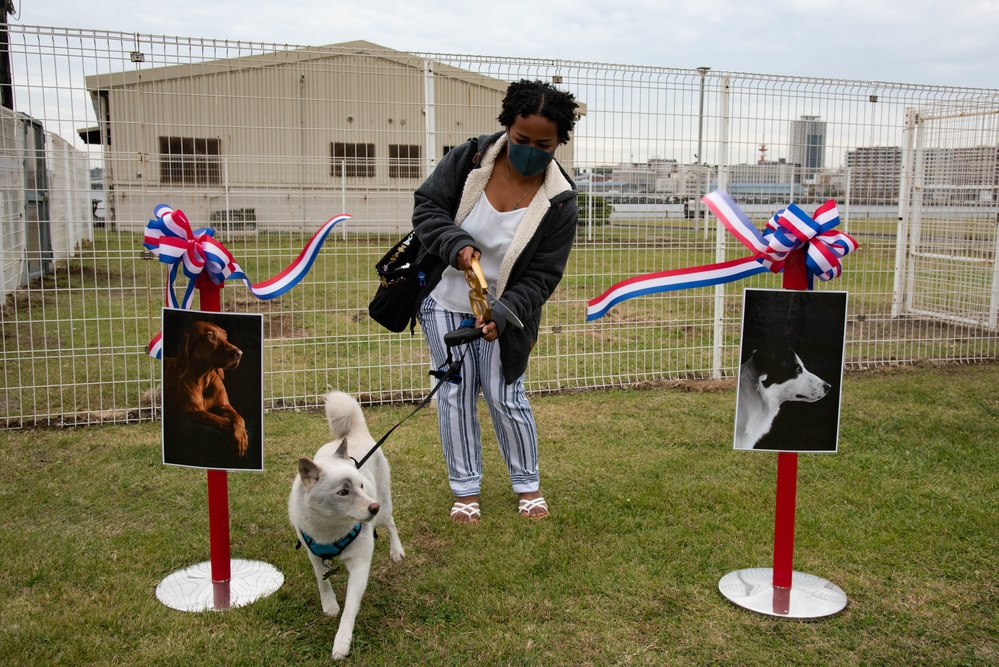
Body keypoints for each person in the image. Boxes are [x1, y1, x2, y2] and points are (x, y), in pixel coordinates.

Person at [411, 79, 579, 524]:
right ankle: (465, 490)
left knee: (507, 394)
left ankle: (528, 484)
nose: (529, 150)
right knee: (455, 393)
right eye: (521, 139)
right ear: (507, 126)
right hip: (444, 298)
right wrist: (457, 244)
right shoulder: (468, 160)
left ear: (559, 142)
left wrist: (504, 313)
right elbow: (427, 208)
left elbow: (544, 275)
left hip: (507, 312)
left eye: (544, 144)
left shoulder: (560, 201)